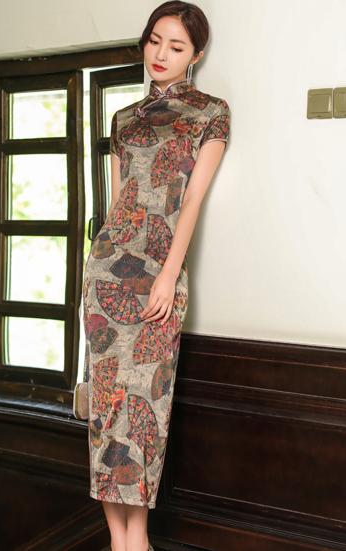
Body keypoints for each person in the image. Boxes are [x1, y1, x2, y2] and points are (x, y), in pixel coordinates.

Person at [82, 1, 230, 550]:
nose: (161, 54)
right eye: (154, 41)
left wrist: (169, 274)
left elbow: (191, 202)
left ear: (196, 56)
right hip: (106, 272)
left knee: (145, 407)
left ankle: (137, 541)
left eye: (176, 46)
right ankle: (121, 543)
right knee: (106, 412)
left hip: (159, 277)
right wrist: (95, 265)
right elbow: (118, 202)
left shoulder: (210, 113)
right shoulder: (123, 119)